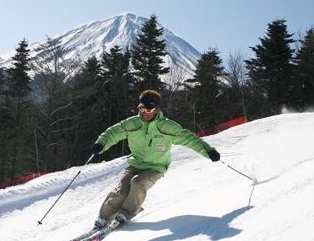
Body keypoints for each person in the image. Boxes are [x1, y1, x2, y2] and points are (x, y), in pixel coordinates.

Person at [91, 89, 221, 228]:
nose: (143, 113)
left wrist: (209, 151)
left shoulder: (167, 127)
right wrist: (101, 144)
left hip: (156, 167)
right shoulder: (133, 123)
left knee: (138, 183)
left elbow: (189, 139)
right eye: (141, 109)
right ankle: (104, 217)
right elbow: (113, 132)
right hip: (135, 164)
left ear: (156, 110)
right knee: (121, 191)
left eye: (148, 110)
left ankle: (126, 213)